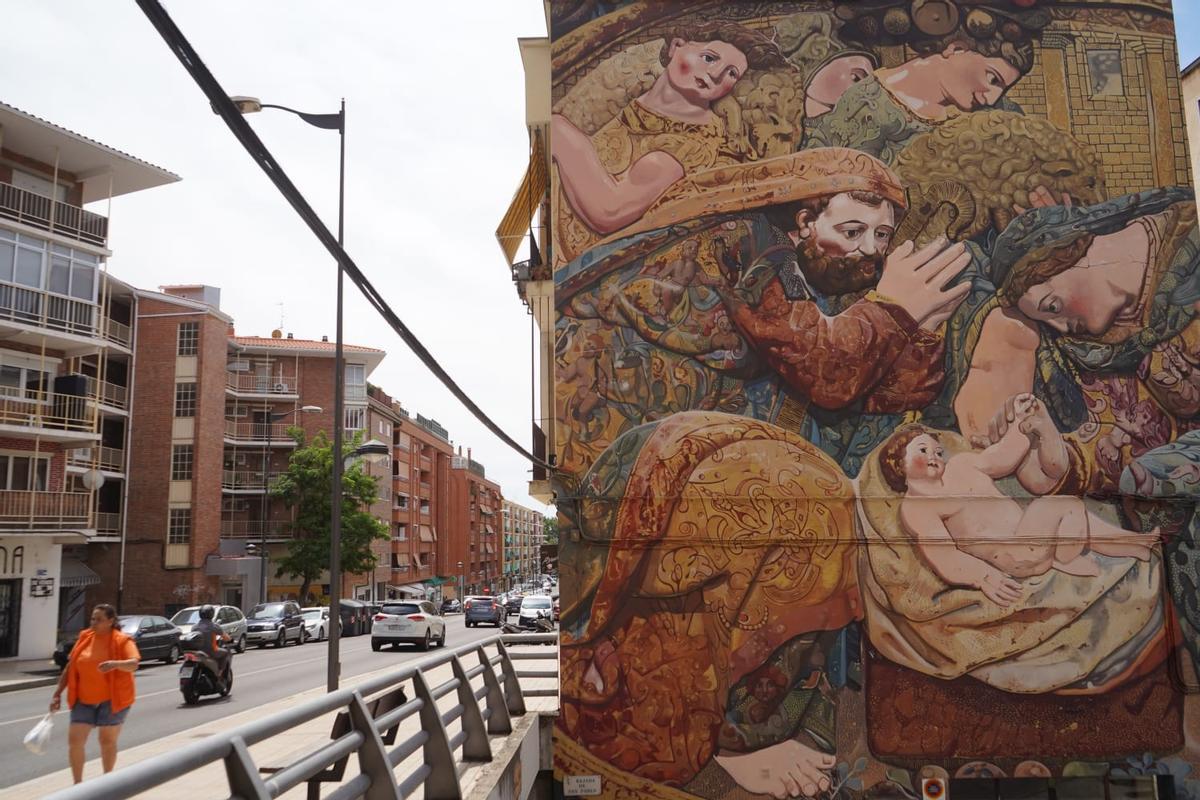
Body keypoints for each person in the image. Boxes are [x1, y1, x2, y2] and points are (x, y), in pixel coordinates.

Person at [551, 21, 789, 266]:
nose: (716, 74)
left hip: (584, 262)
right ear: (676, 46)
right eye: (709, 58)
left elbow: (608, 212)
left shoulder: (686, 148)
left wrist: (565, 138)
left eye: (731, 73)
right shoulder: (633, 97)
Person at [884, 410, 1152, 605]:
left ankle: (1135, 544)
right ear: (899, 464)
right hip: (1014, 554)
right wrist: (984, 576)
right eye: (922, 451)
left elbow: (1001, 457)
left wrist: (1021, 425)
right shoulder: (917, 506)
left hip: (1029, 534)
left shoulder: (962, 464)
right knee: (1064, 506)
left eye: (937, 451)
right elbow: (944, 555)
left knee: (1070, 513)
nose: (934, 456)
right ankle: (1064, 558)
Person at [49, 604, 139, 784]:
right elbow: (70, 667)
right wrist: (57, 693)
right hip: (83, 700)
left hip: (112, 700)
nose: (94, 622)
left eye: (99, 619)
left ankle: (107, 783)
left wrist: (115, 664)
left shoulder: (122, 640)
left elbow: (133, 664)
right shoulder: (85, 638)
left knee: (106, 741)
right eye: (92, 618)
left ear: (111, 621)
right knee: (75, 741)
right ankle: (78, 786)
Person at [192, 604, 231, 674]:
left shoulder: (194, 627)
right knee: (225, 653)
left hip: (197, 652)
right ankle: (220, 672)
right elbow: (226, 638)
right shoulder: (214, 626)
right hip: (210, 651)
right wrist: (229, 638)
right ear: (211, 614)